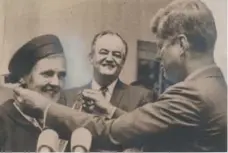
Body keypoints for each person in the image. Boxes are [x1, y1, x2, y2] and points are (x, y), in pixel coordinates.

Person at [13, 0, 227, 151]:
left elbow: (111, 132)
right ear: (91, 57)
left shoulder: (191, 94)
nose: (158, 57)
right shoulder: (214, 86)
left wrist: (45, 107)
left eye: (161, 47)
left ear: (181, 44)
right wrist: (112, 110)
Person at [65, 30, 156, 120]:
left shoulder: (141, 97)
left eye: (116, 55)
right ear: (91, 58)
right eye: (103, 52)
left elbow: (142, 131)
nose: (109, 59)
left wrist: (111, 110)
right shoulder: (68, 97)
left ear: (123, 62)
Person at [0, 34, 67, 152]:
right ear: (23, 78)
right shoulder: (3, 120)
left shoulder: (65, 122)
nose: (56, 83)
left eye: (61, 75)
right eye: (47, 74)